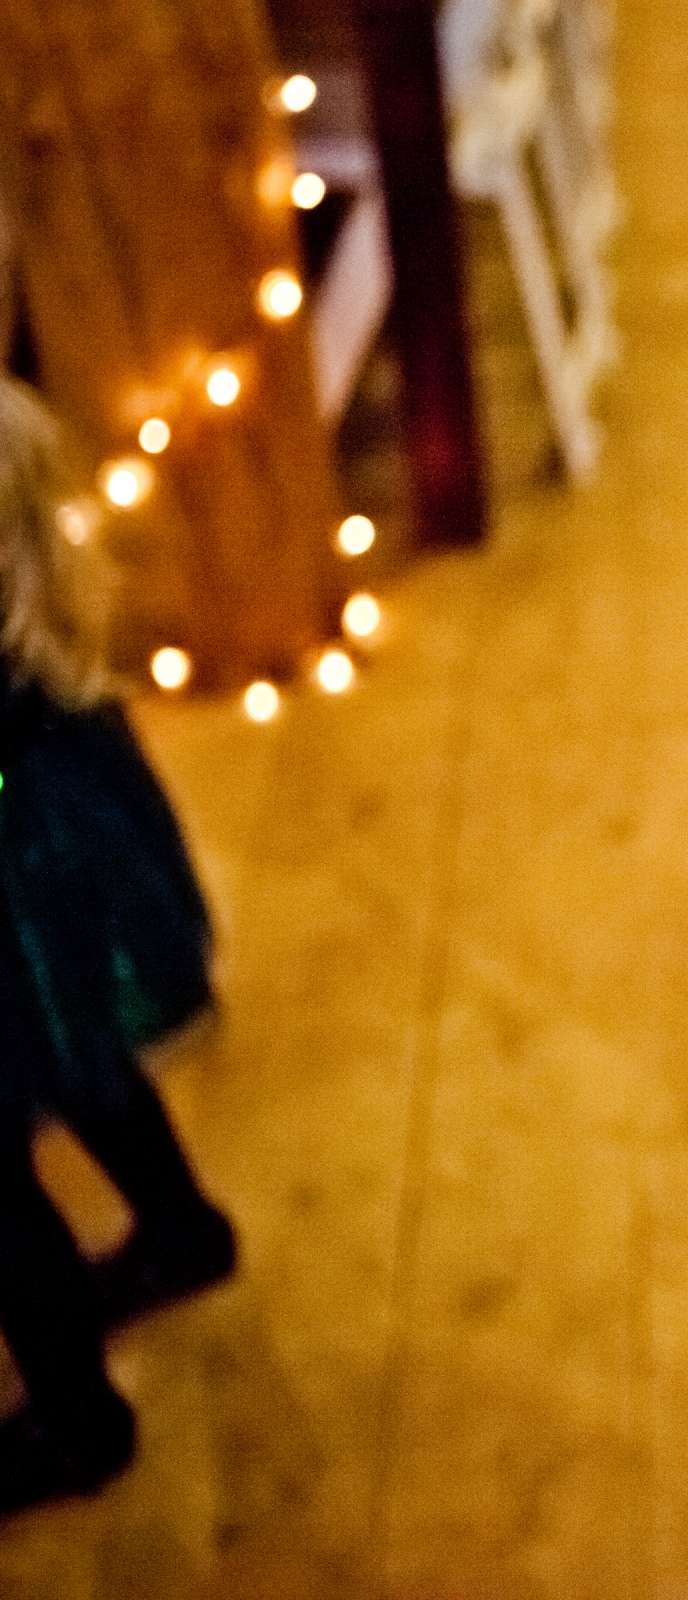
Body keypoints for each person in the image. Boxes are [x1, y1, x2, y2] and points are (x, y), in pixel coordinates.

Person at [0, 379, 235, 1515]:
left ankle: (76, 1420)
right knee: (82, 1054)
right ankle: (183, 1230)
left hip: (14, 873)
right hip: (61, 847)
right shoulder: (17, 461)